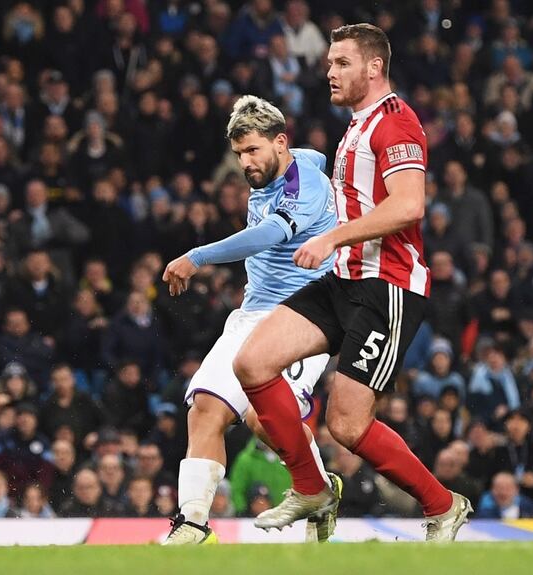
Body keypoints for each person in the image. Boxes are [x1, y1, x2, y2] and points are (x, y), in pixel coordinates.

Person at [231, 24, 471, 541]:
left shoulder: (396, 122)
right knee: (252, 363)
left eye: (341, 63)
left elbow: (409, 206)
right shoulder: (355, 128)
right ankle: (312, 488)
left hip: (388, 288)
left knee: (347, 425)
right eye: (330, 64)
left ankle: (442, 504)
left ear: (374, 67)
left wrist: (332, 237)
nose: (330, 72)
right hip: (344, 280)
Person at [160, 95, 340, 545]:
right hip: (251, 314)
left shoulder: (305, 184)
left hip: (303, 316)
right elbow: (316, 153)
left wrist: (197, 256)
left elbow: (269, 235)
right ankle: (194, 524)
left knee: (265, 419)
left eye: (253, 150)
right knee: (205, 406)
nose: (245, 162)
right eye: (239, 153)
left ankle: (319, 487)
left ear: (280, 142)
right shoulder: (286, 163)